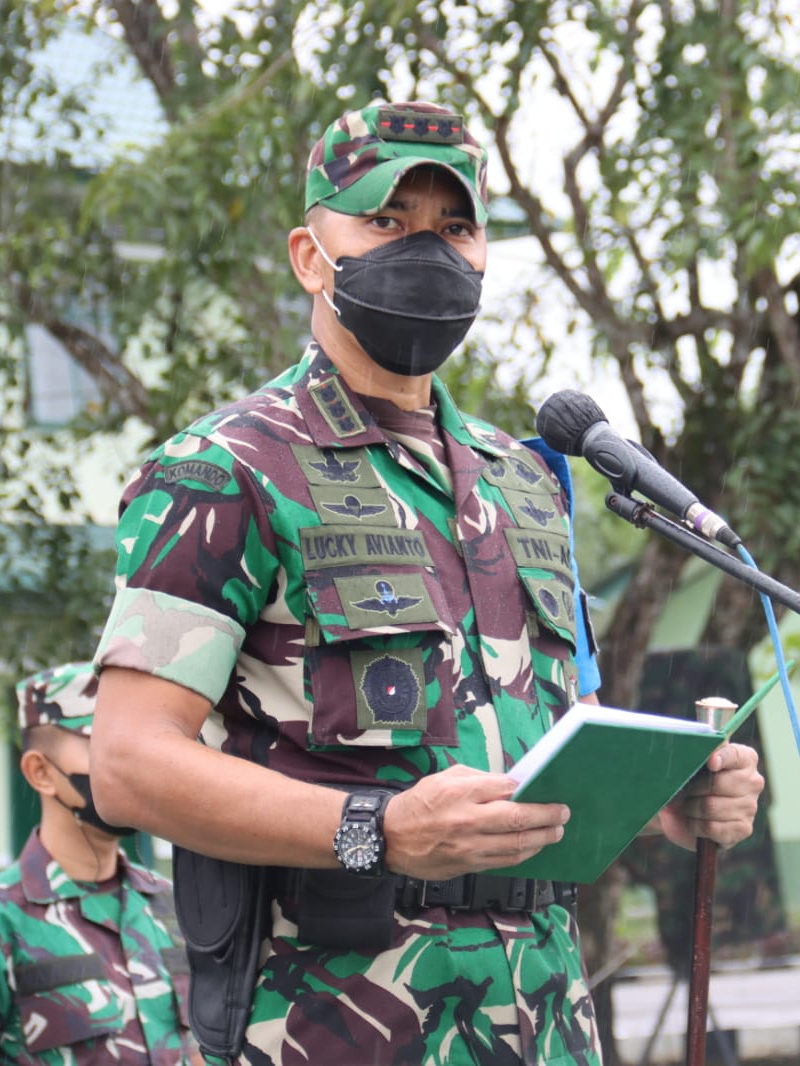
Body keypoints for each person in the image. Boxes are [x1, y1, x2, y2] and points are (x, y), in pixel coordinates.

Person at [89, 100, 766, 1066]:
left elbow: (548, 746)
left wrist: (660, 803)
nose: (428, 251)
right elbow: (127, 763)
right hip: (336, 1022)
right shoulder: (224, 471)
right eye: (386, 221)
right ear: (309, 256)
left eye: (456, 228)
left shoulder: (524, 482)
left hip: (546, 1016)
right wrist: (380, 829)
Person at [0, 662, 198, 1065]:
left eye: (137, 749)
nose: (132, 769)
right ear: (41, 772)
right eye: (105, 749)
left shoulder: (178, 911)